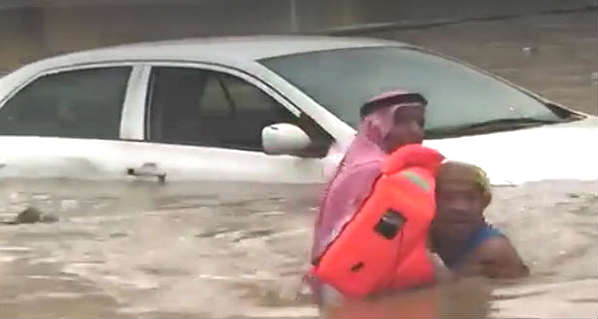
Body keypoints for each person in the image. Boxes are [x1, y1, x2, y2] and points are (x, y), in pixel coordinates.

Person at [307, 90, 439, 307]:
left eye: (420, 122)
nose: (416, 131)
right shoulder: (373, 169)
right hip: (351, 284)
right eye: (402, 122)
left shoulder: (360, 162)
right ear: (377, 125)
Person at [430, 161, 529, 279]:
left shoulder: (495, 251)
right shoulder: (420, 237)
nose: (460, 207)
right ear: (429, 200)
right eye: (447, 198)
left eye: (470, 198)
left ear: (485, 202)